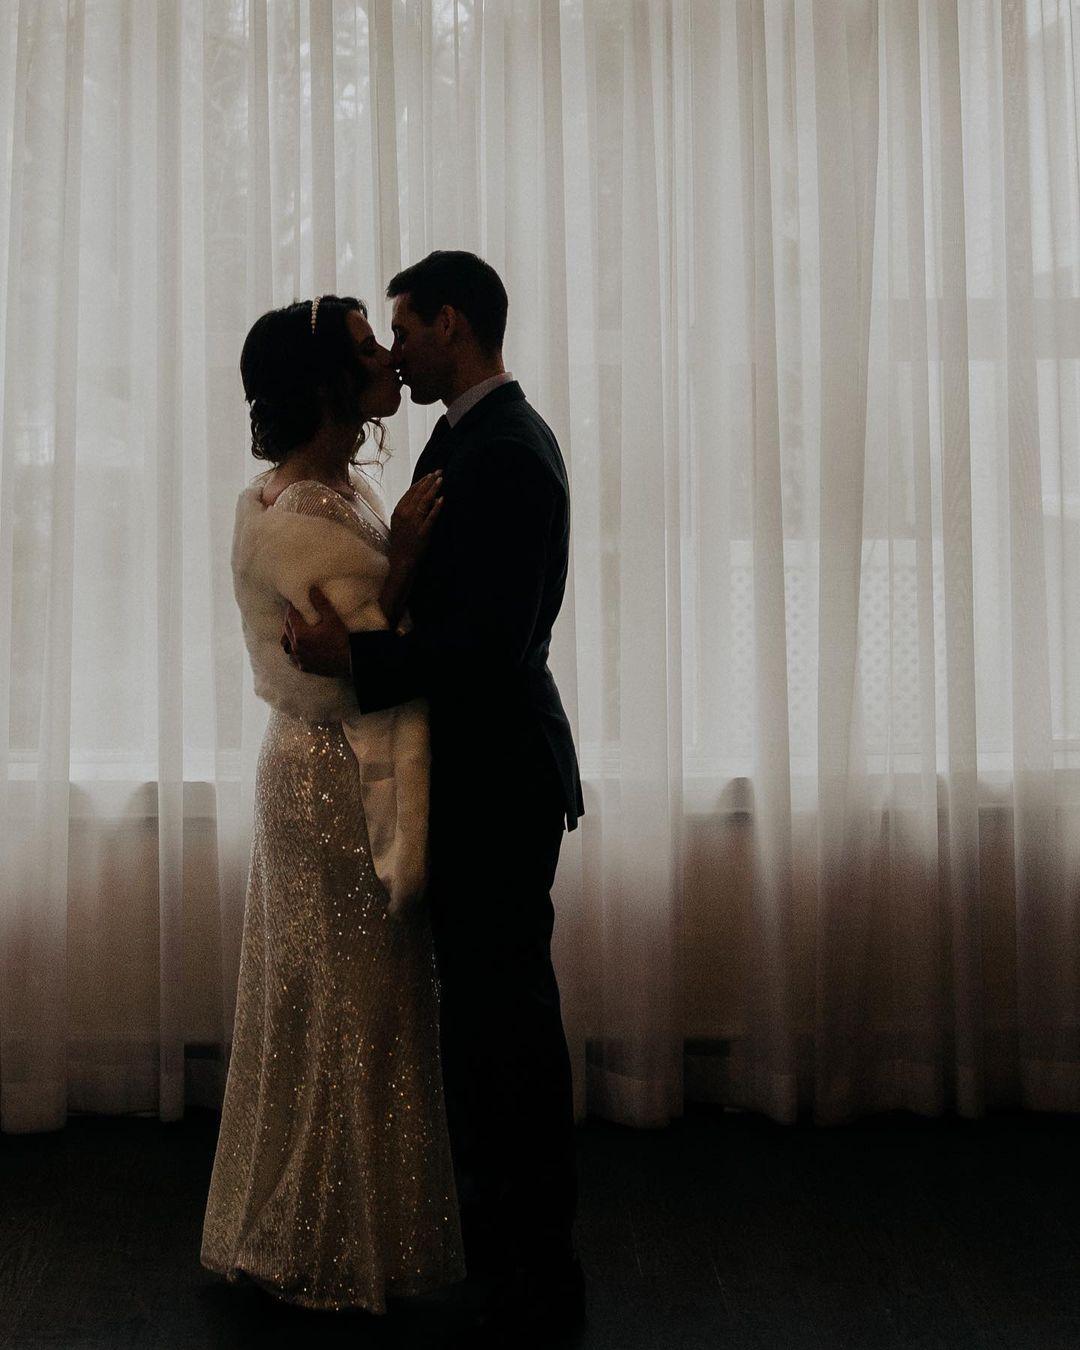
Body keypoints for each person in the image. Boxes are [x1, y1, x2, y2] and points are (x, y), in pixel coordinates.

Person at [282, 251, 586, 1342]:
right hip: (475, 772)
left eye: (404, 330)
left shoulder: (504, 453)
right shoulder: (468, 436)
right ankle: (504, 1238)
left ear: (451, 325)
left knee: (509, 1023)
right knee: (488, 1020)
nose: (396, 354)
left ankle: (535, 1260)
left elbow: (489, 648)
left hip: (499, 778)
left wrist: (353, 658)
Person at [200, 294, 465, 1313]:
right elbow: (345, 665)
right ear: (323, 386)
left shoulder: (335, 491)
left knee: (356, 1006)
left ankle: (352, 1223)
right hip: (329, 780)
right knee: (350, 1009)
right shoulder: (299, 517)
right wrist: (406, 565)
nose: (388, 358)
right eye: (365, 349)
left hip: (331, 771)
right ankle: (331, 1240)